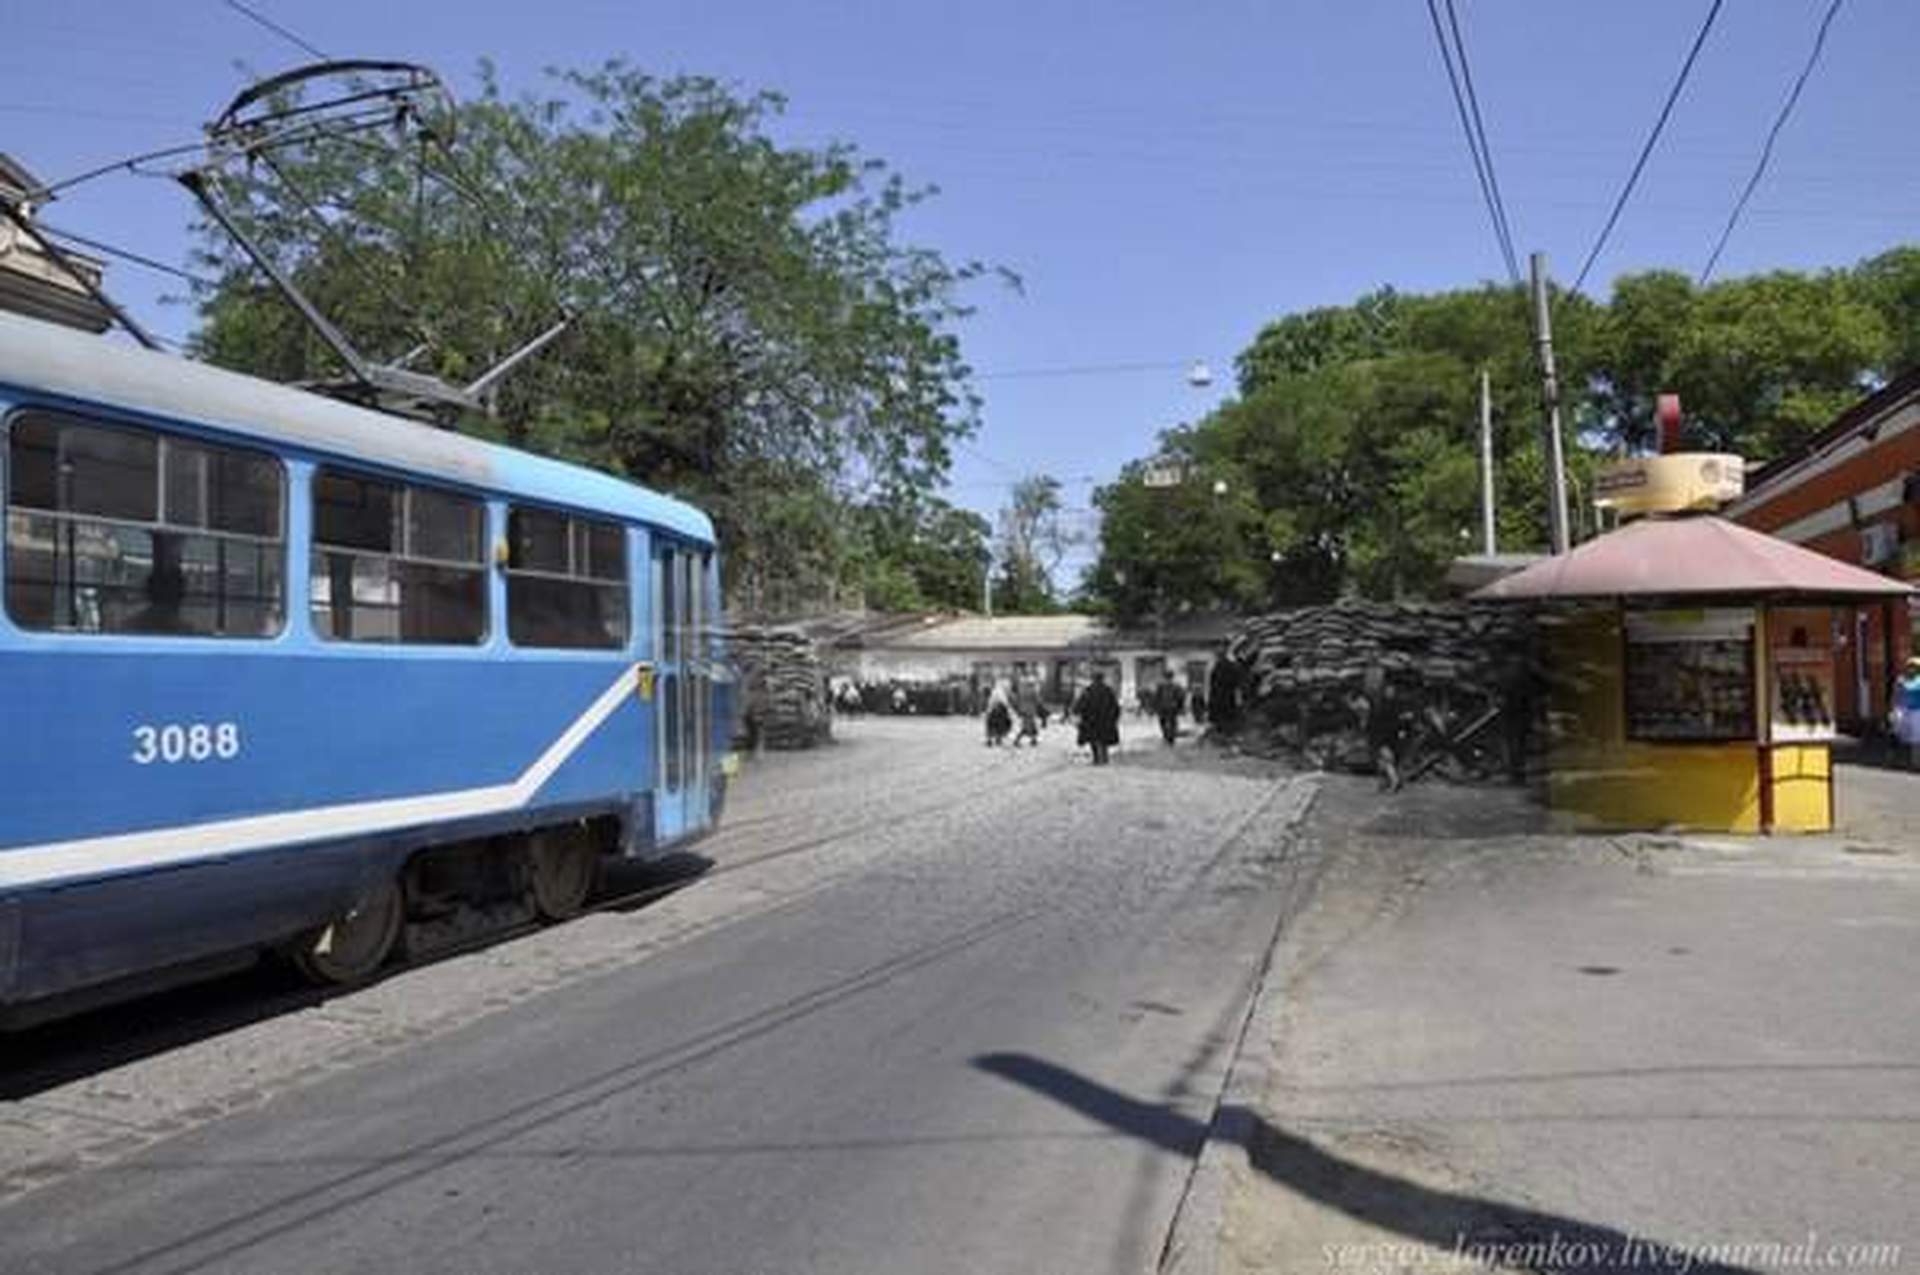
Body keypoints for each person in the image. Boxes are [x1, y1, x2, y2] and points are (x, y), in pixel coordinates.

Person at [1074, 669, 1121, 765]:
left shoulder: (1088, 691)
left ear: (1093, 679)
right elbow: (1115, 707)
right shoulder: (1108, 691)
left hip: (1091, 721)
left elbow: (1079, 705)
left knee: (1094, 740)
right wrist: (1114, 718)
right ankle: (1104, 757)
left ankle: (1096, 758)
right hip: (1105, 721)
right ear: (1102, 679)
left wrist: (1078, 713)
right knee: (1103, 740)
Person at [1894, 656, 1920, 770]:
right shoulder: (1901, 680)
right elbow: (1896, 695)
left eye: (1915, 667)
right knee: (1901, 735)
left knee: (1916, 738)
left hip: (1917, 711)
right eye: (1911, 666)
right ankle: (1900, 760)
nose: (1912, 669)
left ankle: (1915, 762)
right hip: (1903, 710)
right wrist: (1893, 709)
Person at [1152, 672, 1184, 746]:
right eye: (1167, 678)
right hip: (1164, 707)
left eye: (1169, 678)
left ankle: (1170, 736)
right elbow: (1156, 697)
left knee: (1171, 722)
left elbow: (1180, 697)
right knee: (1164, 721)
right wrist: (1155, 706)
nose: (1168, 680)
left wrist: (1178, 705)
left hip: (1170, 708)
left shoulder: (1176, 686)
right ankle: (1167, 734)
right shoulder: (1160, 686)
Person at [1011, 677, 1043, 747]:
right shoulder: (1033, 690)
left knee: (1030, 725)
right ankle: (1017, 740)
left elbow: (1018, 700)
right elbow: (1037, 700)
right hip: (1030, 710)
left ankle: (1033, 740)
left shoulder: (1022, 690)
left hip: (1023, 710)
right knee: (1027, 726)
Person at [985, 680, 1013, 746]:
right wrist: (1009, 710)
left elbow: (990, 702)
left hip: (993, 711)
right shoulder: (1001, 692)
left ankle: (990, 740)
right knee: (1001, 725)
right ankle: (998, 739)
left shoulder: (995, 691)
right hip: (999, 711)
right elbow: (1004, 702)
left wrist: (988, 710)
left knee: (991, 725)